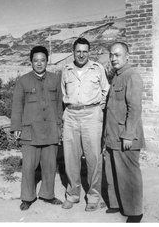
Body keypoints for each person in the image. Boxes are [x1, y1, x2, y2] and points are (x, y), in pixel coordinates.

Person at [10, 46, 63, 210]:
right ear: (31, 61)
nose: (39, 63)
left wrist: (59, 125)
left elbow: (60, 105)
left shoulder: (55, 79)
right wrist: (16, 127)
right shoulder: (23, 80)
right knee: (28, 167)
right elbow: (17, 106)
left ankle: (48, 195)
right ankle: (27, 197)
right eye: (35, 60)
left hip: (50, 129)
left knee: (49, 166)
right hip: (30, 131)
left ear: (47, 61)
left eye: (42, 60)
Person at [61, 37, 109, 211]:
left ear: (89, 52)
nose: (81, 54)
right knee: (70, 157)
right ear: (73, 52)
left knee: (93, 157)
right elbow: (63, 92)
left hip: (91, 115)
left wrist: (98, 108)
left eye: (85, 51)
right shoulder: (66, 70)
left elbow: (106, 90)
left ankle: (94, 196)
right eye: (78, 51)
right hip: (71, 114)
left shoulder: (97, 69)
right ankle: (73, 194)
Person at [103, 41, 145, 223]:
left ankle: (135, 211)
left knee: (129, 174)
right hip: (113, 135)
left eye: (117, 55)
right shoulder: (117, 76)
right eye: (111, 55)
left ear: (127, 56)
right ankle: (117, 204)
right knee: (113, 171)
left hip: (126, 136)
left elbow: (134, 109)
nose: (114, 58)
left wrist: (128, 134)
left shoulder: (131, 76)